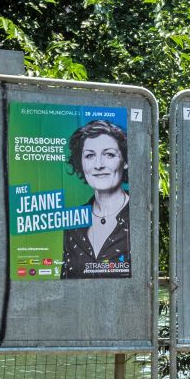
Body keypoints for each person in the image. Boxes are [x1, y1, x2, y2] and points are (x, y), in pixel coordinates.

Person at [61, 119, 131, 278]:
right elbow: (64, 283)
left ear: (125, 161)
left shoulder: (140, 214)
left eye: (109, 154)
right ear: (81, 163)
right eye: (90, 156)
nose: (98, 165)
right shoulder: (73, 221)